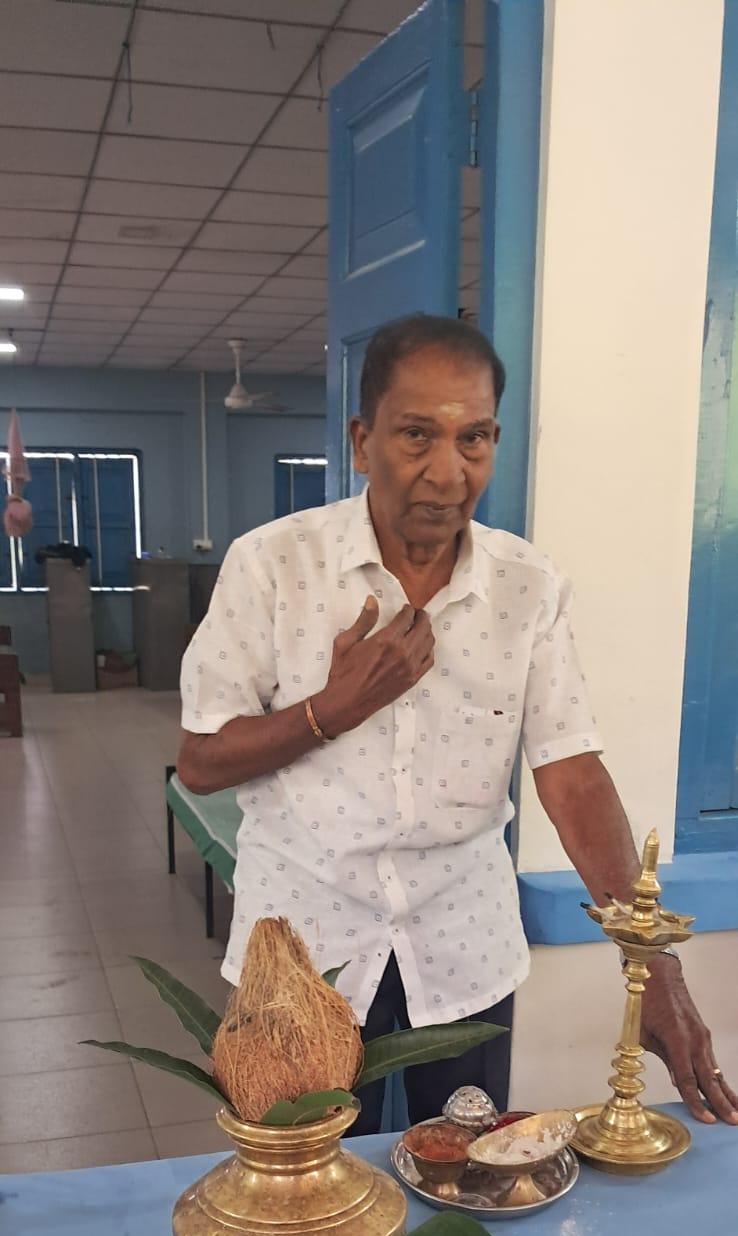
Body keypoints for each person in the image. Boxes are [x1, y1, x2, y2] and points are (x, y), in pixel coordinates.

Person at [178, 314, 737, 1132]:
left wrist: (651, 967)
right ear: (362, 440)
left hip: (465, 946)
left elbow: (571, 771)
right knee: (313, 1204)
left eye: (473, 439)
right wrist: (329, 712)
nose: (447, 471)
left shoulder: (528, 585)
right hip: (307, 953)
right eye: (416, 436)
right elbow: (200, 760)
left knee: (468, 1181)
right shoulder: (273, 567)